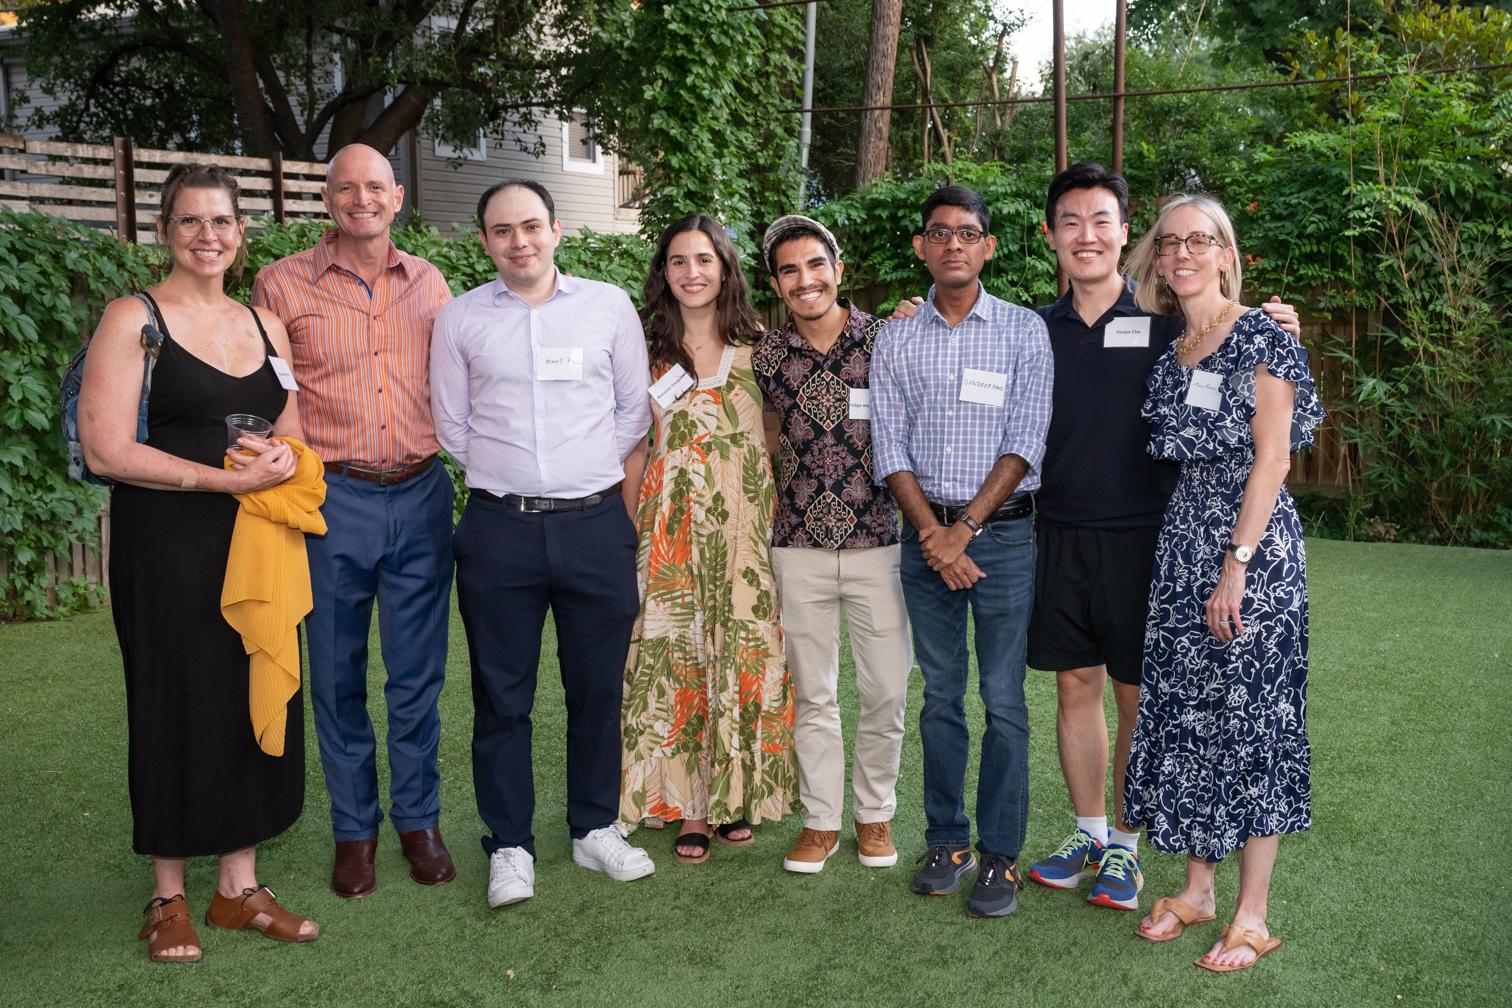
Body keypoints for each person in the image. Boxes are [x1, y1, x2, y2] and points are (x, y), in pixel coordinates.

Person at [79, 164, 318, 962]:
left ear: (241, 233)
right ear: (164, 230)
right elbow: (107, 448)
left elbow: (290, 425)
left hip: (256, 541)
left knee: (253, 686)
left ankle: (238, 888)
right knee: (174, 699)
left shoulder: (265, 324)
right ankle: (169, 893)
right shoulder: (132, 318)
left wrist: (282, 461)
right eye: (190, 221)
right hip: (167, 542)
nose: (207, 236)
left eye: (221, 221)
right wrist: (224, 478)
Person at [431, 179, 657, 906]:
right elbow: (452, 426)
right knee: (502, 697)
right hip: (499, 530)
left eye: (531, 226)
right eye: (502, 231)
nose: (518, 241)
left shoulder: (607, 307)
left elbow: (631, 411)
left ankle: (594, 829)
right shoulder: (460, 319)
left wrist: (576, 476)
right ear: (486, 241)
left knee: (597, 691)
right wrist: (516, 476)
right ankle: (510, 845)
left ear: (557, 230)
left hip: (595, 526)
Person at [1121, 194, 1323, 972]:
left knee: (1253, 718)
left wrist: (1235, 566)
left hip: (1253, 551)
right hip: (1183, 543)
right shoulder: (1177, 346)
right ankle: (1197, 890)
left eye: (1199, 240)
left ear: (1227, 252)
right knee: (1189, 713)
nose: (1183, 252)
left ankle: (1251, 914)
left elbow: (1273, 456)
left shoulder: (1265, 335)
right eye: (1170, 241)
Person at [252, 144, 458, 900]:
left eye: (375, 186)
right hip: (329, 500)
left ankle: (419, 822)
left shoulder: (431, 284)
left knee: (416, 676)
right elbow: (268, 395)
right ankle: (354, 833)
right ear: (327, 199)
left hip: (421, 493)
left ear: (397, 197)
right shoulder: (279, 285)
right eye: (346, 187)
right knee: (336, 677)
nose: (361, 199)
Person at [871, 185, 1052, 918]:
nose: (953, 244)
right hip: (925, 540)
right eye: (939, 233)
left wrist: (964, 531)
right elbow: (888, 444)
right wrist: (932, 536)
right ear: (921, 246)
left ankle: (1001, 854)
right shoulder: (896, 336)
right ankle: (947, 840)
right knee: (941, 697)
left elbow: (1025, 438)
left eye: (967, 233)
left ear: (989, 247)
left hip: (1001, 537)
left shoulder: (1022, 331)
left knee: (1002, 699)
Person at [619, 214, 797, 864]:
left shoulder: (763, 348)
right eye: (677, 261)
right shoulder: (644, 350)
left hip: (747, 536)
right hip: (669, 532)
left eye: (703, 259)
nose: (691, 272)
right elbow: (634, 447)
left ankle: (735, 795)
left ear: (725, 267)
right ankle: (691, 806)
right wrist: (631, 527)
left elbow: (779, 437)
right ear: (663, 273)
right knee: (681, 659)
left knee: (743, 655)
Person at [751, 215, 910, 874]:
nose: (804, 280)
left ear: (838, 269)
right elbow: (765, 438)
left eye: (815, 265)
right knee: (814, 694)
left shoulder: (889, 337)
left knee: (886, 691)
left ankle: (874, 815)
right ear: (777, 283)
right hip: (798, 545)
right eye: (789, 270)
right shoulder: (766, 355)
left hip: (880, 539)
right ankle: (820, 822)